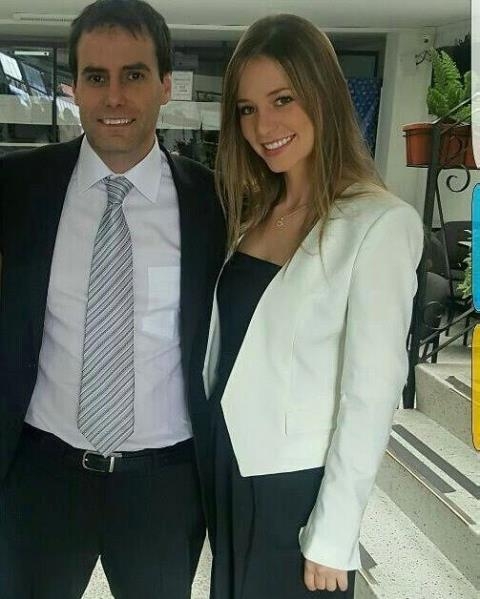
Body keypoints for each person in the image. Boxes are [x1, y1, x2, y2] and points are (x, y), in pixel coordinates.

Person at [0, 1, 224, 597]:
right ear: (74, 88)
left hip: (165, 485)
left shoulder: (214, 204)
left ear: (166, 86)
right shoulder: (18, 188)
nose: (114, 96)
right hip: (42, 476)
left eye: (134, 75)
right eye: (96, 76)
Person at [202, 13, 424, 599]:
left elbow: (372, 393)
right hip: (228, 465)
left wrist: (334, 533)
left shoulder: (379, 222)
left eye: (283, 99)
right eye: (247, 108)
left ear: (323, 95)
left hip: (292, 485)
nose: (263, 126)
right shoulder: (258, 211)